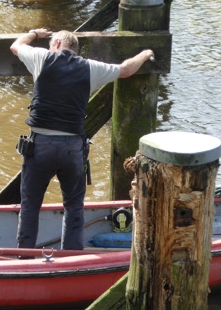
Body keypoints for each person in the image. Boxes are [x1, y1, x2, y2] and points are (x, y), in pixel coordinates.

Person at [10, 28, 154, 251]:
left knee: (30, 206)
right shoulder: (90, 68)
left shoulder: (42, 58)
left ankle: (24, 257)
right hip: (72, 148)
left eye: (51, 45)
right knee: (73, 206)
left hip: (39, 147)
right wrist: (145, 53)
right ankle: (70, 259)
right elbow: (126, 70)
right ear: (75, 49)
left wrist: (34, 33)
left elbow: (16, 46)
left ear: (56, 44)